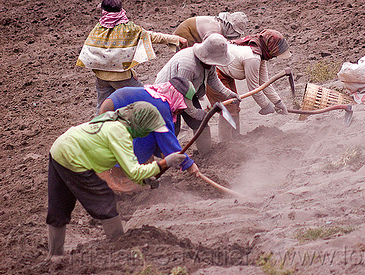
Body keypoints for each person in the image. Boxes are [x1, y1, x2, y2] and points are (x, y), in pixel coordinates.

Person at [46, 101, 199, 259]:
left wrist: (145, 180)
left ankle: (55, 255)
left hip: (59, 148)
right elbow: (134, 172)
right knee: (104, 198)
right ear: (140, 123)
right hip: (72, 155)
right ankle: (120, 246)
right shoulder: (120, 132)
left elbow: (131, 172)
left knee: (59, 205)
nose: (147, 133)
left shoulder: (113, 121)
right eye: (148, 129)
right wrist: (165, 162)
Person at [76, 0, 188, 112]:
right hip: (123, 78)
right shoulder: (128, 28)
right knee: (149, 100)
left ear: (103, 11)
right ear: (120, 10)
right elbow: (151, 36)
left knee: (102, 110)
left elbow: (93, 52)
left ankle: (97, 128)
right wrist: (175, 39)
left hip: (101, 78)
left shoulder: (98, 28)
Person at [97, 77, 198, 192]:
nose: (181, 111)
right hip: (112, 111)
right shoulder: (162, 106)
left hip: (112, 107)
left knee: (146, 139)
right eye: (182, 106)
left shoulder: (156, 95)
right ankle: (119, 178)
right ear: (177, 97)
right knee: (137, 145)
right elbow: (168, 141)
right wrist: (188, 164)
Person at [155, 33, 240, 155]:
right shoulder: (188, 65)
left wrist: (228, 94)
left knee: (201, 123)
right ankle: (164, 159)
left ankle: (206, 154)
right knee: (174, 128)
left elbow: (213, 79)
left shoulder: (208, 63)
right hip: (168, 95)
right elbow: (180, 95)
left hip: (188, 91)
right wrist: (195, 112)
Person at [206, 29, 291, 141]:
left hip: (226, 74)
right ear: (269, 49)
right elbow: (254, 88)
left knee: (235, 104)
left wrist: (278, 102)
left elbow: (265, 83)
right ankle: (225, 143)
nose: (273, 57)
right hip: (214, 73)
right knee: (228, 108)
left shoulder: (260, 55)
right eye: (274, 55)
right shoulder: (253, 57)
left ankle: (235, 139)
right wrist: (265, 106)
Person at [173, 12, 248, 48]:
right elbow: (208, 48)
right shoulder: (215, 30)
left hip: (191, 30)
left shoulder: (219, 24)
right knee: (190, 57)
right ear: (230, 27)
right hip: (186, 32)